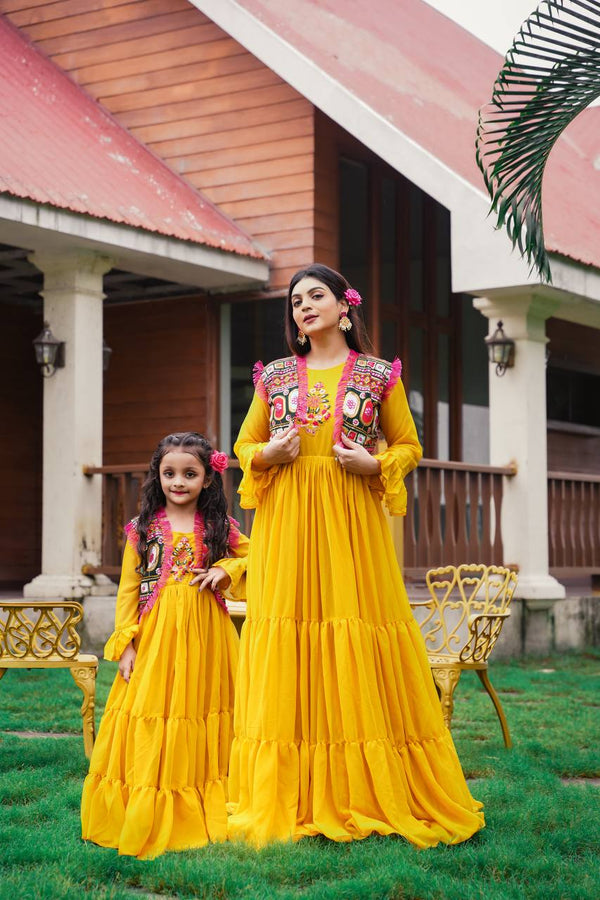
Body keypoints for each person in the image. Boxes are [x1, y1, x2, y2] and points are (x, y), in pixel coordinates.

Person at [227, 264, 484, 847]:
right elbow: (243, 446)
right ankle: (291, 790)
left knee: (355, 628)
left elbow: (408, 445)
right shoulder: (272, 377)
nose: (304, 307)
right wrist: (268, 452)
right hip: (289, 519)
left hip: (351, 521)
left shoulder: (376, 374)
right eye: (296, 301)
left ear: (345, 307)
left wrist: (376, 465)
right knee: (290, 636)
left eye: (316, 296)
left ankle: (366, 785)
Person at [81, 432, 249, 859]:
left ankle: (214, 788)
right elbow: (128, 590)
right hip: (156, 636)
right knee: (155, 709)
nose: (179, 481)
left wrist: (226, 570)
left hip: (208, 631)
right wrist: (127, 644)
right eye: (170, 473)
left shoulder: (218, 527)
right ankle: (154, 793)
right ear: (158, 476)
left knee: (205, 705)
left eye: (190, 474)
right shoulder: (141, 530)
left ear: (208, 479)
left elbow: (257, 556)